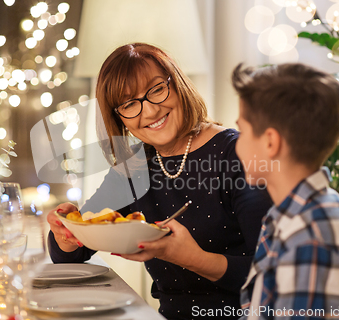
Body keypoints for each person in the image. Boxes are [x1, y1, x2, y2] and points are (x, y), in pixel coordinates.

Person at [46, 43, 273, 319]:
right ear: (119, 119)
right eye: (129, 104)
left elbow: (275, 275)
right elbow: (70, 255)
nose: (151, 111)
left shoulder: (237, 154)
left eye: (156, 90)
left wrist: (192, 258)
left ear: (176, 84)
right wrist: (67, 234)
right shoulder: (135, 167)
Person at [231, 63, 339, 319]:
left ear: (270, 142)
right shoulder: (289, 216)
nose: (236, 144)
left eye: (242, 131)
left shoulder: (312, 239)